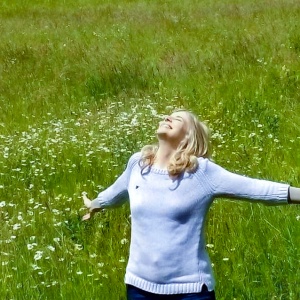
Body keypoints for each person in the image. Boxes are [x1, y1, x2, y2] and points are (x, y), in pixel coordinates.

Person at [82, 109, 300, 300]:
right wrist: (95, 204)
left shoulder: (201, 172)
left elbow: (255, 189)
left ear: (189, 137)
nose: (168, 117)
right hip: (139, 288)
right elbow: (116, 192)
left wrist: (297, 194)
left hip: (190, 291)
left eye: (177, 119)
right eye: (168, 115)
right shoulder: (138, 164)